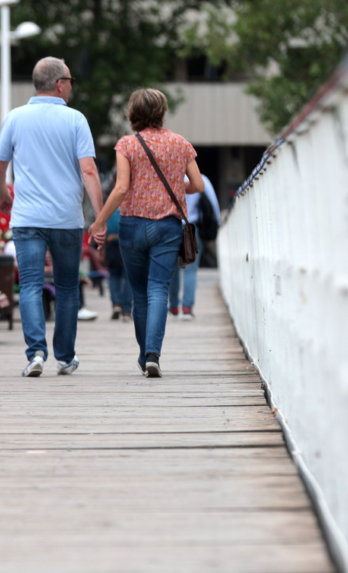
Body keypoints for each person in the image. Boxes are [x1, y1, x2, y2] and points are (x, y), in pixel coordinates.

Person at [0, 57, 104, 377]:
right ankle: (65, 357)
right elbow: (89, 170)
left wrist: (2, 195)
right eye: (70, 80)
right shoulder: (75, 120)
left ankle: (35, 354)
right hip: (66, 220)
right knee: (68, 287)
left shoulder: (15, 118)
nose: (71, 86)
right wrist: (99, 218)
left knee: (29, 284)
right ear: (59, 84)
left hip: (26, 218)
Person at [88, 88, 204, 378]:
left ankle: (144, 355)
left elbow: (122, 187)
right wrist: (178, 188)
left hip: (132, 226)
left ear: (133, 114)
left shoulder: (127, 144)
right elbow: (198, 185)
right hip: (167, 227)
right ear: (162, 112)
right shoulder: (180, 143)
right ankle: (153, 354)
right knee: (158, 290)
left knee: (138, 293)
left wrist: (99, 221)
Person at [168, 174, 220, 320]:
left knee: (172, 269)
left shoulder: (168, 173)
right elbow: (213, 205)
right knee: (190, 269)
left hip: (170, 226)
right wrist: (214, 228)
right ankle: (187, 308)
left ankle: (173, 306)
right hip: (191, 228)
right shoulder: (201, 178)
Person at [105, 208, 132, 320]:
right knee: (129, 276)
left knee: (114, 274)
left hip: (112, 243)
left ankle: (116, 304)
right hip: (129, 242)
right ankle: (126, 310)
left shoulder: (109, 201)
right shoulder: (132, 198)